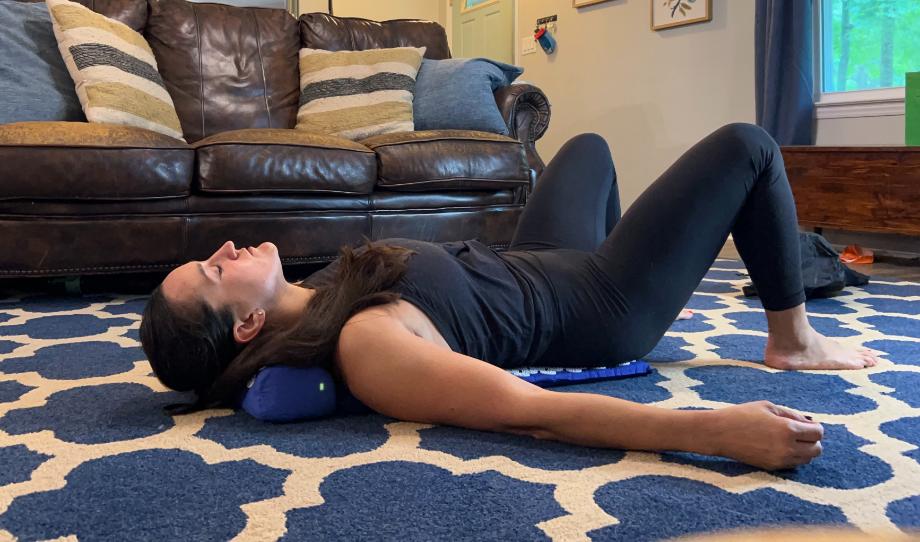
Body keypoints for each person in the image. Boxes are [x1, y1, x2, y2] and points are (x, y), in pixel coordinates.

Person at [140, 123, 880, 471]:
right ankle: (793, 341)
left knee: (589, 144)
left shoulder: (321, 293)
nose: (225, 250)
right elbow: (534, 412)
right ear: (248, 324)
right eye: (215, 272)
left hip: (536, 260)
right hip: (599, 304)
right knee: (747, 148)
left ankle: (663, 275)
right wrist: (714, 430)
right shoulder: (368, 348)